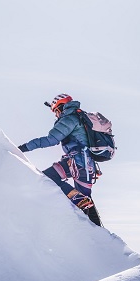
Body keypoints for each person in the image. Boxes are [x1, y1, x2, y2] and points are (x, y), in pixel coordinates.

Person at [18, 94, 102, 225]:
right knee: (48, 178)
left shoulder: (69, 118)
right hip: (81, 162)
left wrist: (24, 147)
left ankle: (96, 235)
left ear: (59, 108)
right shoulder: (78, 117)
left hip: (79, 162)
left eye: (55, 111)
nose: (56, 115)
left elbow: (51, 139)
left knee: (83, 202)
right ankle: (97, 231)